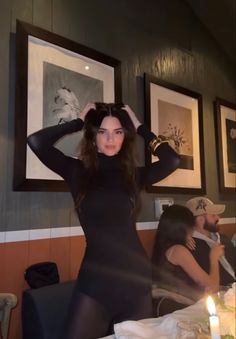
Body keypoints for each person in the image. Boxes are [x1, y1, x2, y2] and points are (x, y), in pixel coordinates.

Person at [27, 102, 180, 339]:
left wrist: (140, 128)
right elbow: (36, 141)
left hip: (135, 279)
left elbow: (172, 160)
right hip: (95, 282)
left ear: (124, 137)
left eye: (118, 132)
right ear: (93, 136)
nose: (111, 139)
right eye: (103, 132)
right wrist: (78, 123)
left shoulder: (133, 175)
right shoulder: (77, 171)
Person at [152, 204, 224, 305]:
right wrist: (214, 258)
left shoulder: (164, 246)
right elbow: (212, 287)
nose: (193, 230)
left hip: (172, 303)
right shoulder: (178, 251)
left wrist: (185, 237)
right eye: (191, 227)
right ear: (183, 228)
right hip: (181, 306)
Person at [186, 197, 235, 286]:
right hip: (221, 294)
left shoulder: (223, 238)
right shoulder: (190, 246)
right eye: (213, 215)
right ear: (200, 219)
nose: (218, 217)